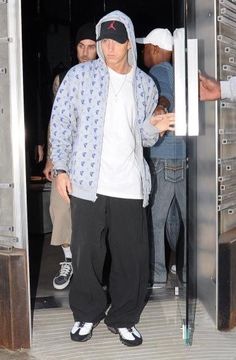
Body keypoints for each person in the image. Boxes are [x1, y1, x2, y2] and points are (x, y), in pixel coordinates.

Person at [50, 10, 174, 347]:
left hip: (130, 184)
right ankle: (86, 314)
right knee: (87, 253)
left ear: (129, 42)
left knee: (130, 256)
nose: (108, 48)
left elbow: (145, 137)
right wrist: (60, 167)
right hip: (88, 182)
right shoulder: (79, 76)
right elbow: (61, 123)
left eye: (116, 41)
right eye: (104, 40)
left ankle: (124, 318)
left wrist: (156, 128)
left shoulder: (145, 84)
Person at [43, 23, 97, 290]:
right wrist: (51, 156)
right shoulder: (62, 78)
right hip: (65, 156)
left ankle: (92, 265)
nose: (86, 52)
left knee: (93, 213)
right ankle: (69, 260)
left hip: (96, 157)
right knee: (60, 208)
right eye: (81, 46)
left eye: (91, 46)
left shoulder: (106, 77)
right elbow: (56, 119)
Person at [136, 29, 186, 287]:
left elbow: (164, 94)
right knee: (180, 219)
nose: (143, 53)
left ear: (155, 49)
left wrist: (160, 107)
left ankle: (156, 274)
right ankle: (187, 273)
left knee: (155, 221)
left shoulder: (159, 72)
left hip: (163, 157)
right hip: (182, 157)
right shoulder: (180, 72)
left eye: (145, 48)